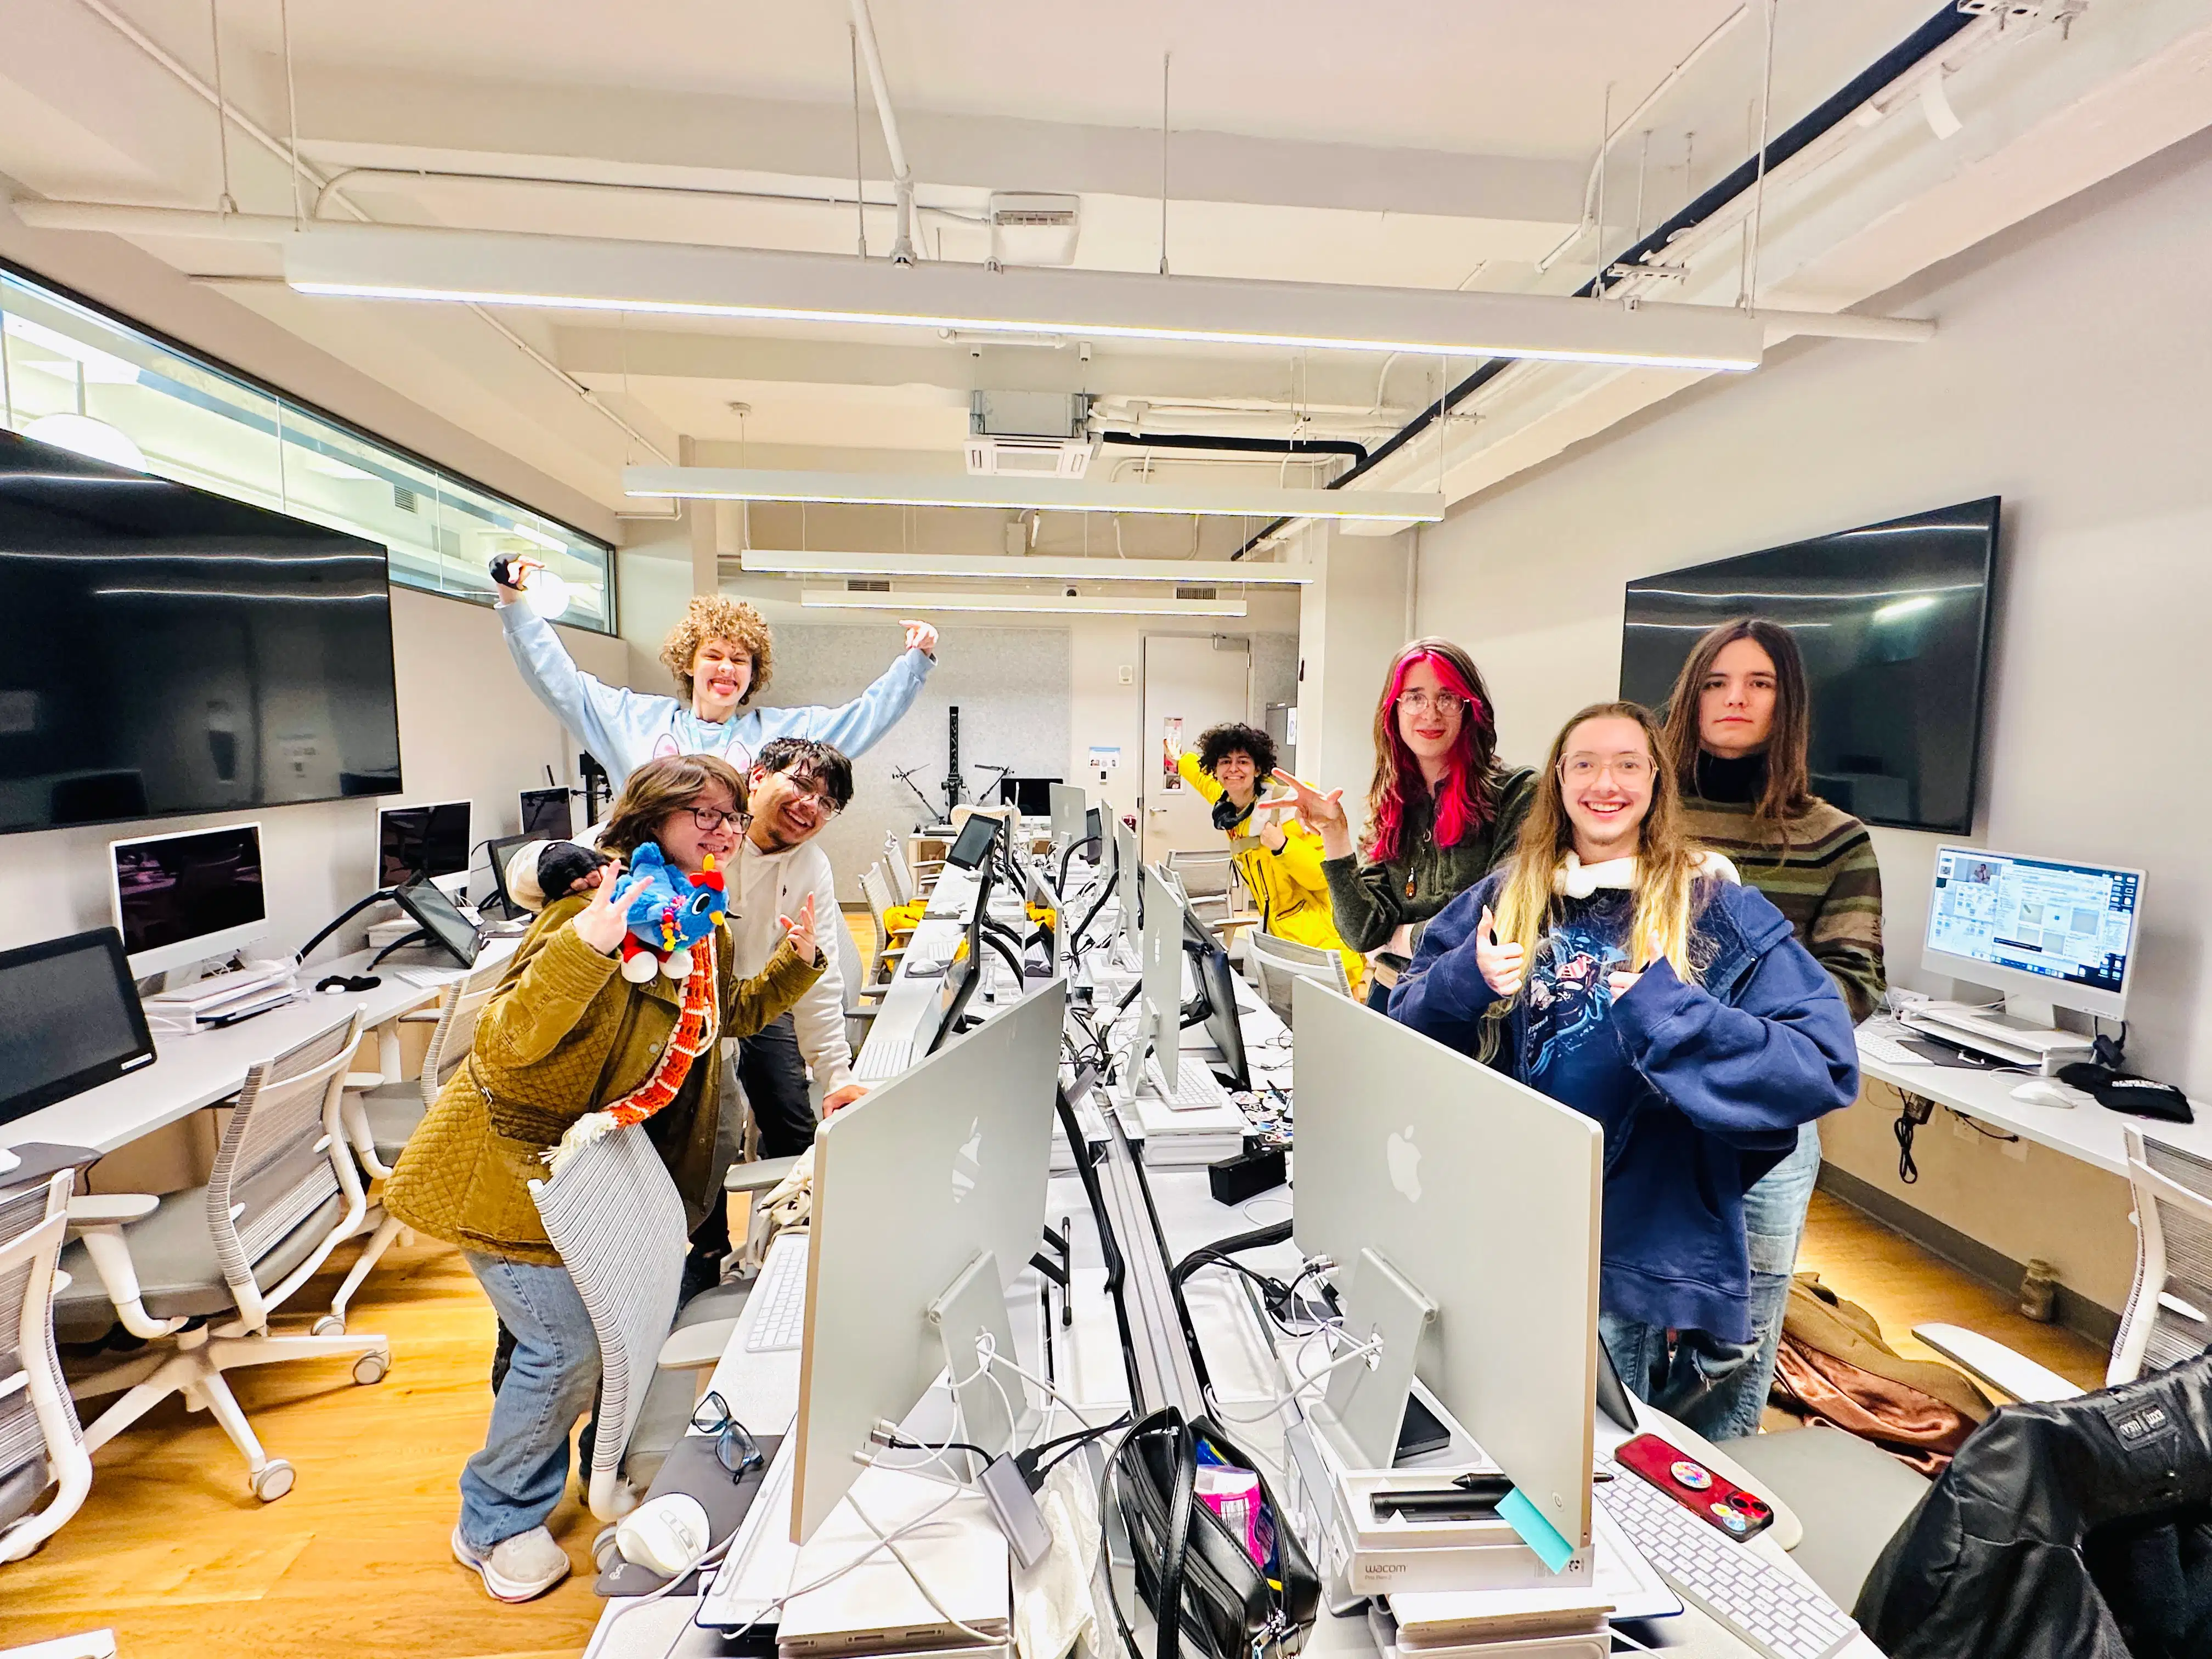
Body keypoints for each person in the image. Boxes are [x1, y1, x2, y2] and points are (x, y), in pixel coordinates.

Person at [382, 753, 824, 1603]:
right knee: (566, 1347)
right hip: (515, 1173)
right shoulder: (592, 914)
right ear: (649, 818)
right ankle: (494, 1521)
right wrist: (587, 946)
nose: (723, 830)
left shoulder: (697, 918)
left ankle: (541, 1469)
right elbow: (506, 1050)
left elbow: (721, 1013)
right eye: (702, 814)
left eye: (731, 817)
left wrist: (795, 964)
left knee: (536, 1344)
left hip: (593, 1179)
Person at [1389, 702, 1858, 1434]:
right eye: (1585, 764)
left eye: (1627, 764)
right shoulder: (1510, 893)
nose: (1605, 782)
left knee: (1603, 1461)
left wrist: (1676, 1016)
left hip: (1627, 1254)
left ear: (1655, 782)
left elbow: (1824, 1064)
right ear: (1558, 780)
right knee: (1516, 1434)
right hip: (1517, 1226)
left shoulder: (1717, 909)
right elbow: (1402, 1021)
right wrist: (1465, 980)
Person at [1658, 618, 1886, 1440]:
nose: (1734, 700)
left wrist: (1723, 1019)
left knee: (1739, 1330)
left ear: (1786, 703)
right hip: (1639, 1111)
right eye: (1717, 682)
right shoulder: (1647, 817)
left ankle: (1715, 1500)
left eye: (1758, 684)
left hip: (1765, 1126)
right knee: (1625, 1311)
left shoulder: (1834, 840)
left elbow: (1852, 987)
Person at [1267, 638, 1536, 1007]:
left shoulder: (1516, 793)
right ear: (1393, 711)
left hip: (1471, 1010)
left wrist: (1397, 940)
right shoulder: (1391, 805)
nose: (1430, 714)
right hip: (1390, 996)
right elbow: (1362, 932)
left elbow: (1495, 927)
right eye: (1414, 697)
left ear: (1470, 708)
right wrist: (1335, 833)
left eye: (1447, 697)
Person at [494, 563, 938, 779]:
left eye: (741, 660)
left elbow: (861, 719)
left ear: (752, 675)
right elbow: (563, 686)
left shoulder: (781, 736)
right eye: (714, 655)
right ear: (689, 662)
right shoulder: (633, 721)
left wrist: (913, 663)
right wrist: (516, 604)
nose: (726, 668)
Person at [1164, 723, 1363, 992]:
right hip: (1278, 943)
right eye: (1225, 761)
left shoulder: (1286, 809)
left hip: (1320, 950)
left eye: (1243, 761)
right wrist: (1181, 760)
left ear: (1258, 769)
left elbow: (1322, 878)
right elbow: (1202, 781)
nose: (1233, 769)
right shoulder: (1232, 805)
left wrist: (1283, 846)